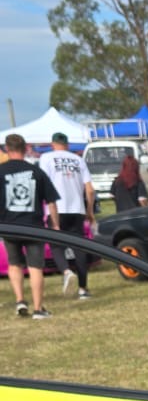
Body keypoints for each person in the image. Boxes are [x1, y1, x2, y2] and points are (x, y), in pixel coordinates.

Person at [1, 132, 61, 317]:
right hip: (34, 227)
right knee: (35, 267)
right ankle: (38, 309)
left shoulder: (1, 171)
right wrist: (55, 225)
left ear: (7, 149)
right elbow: (51, 202)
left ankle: (20, 301)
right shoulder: (36, 172)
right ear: (26, 148)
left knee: (14, 264)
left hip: (9, 226)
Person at [38, 132, 96, 299]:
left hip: (56, 208)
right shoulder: (78, 159)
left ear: (52, 144)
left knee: (56, 245)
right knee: (79, 248)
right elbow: (90, 190)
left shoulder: (46, 158)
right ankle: (83, 289)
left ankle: (66, 271)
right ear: (67, 145)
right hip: (77, 209)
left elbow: (43, 183)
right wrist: (89, 211)